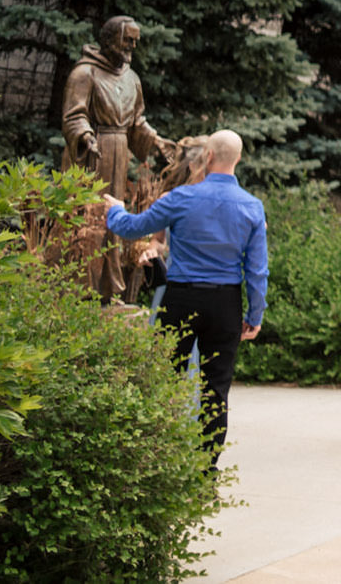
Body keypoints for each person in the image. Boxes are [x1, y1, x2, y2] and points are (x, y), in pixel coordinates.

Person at [102, 128, 267, 459]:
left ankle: (161, 460)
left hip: (181, 299)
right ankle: (206, 471)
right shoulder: (252, 206)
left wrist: (115, 208)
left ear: (208, 157)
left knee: (164, 381)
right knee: (216, 390)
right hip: (226, 303)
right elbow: (257, 271)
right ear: (238, 159)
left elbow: (131, 227)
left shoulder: (180, 199)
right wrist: (254, 316)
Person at [64, 15, 176, 301]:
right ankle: (80, 286)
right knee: (88, 215)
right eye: (128, 39)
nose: (133, 45)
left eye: (135, 40)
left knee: (114, 215)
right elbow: (74, 115)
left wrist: (156, 141)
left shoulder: (132, 78)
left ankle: (108, 287)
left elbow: (137, 121)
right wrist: (86, 137)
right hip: (91, 152)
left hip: (119, 151)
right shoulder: (84, 73)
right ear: (110, 39)